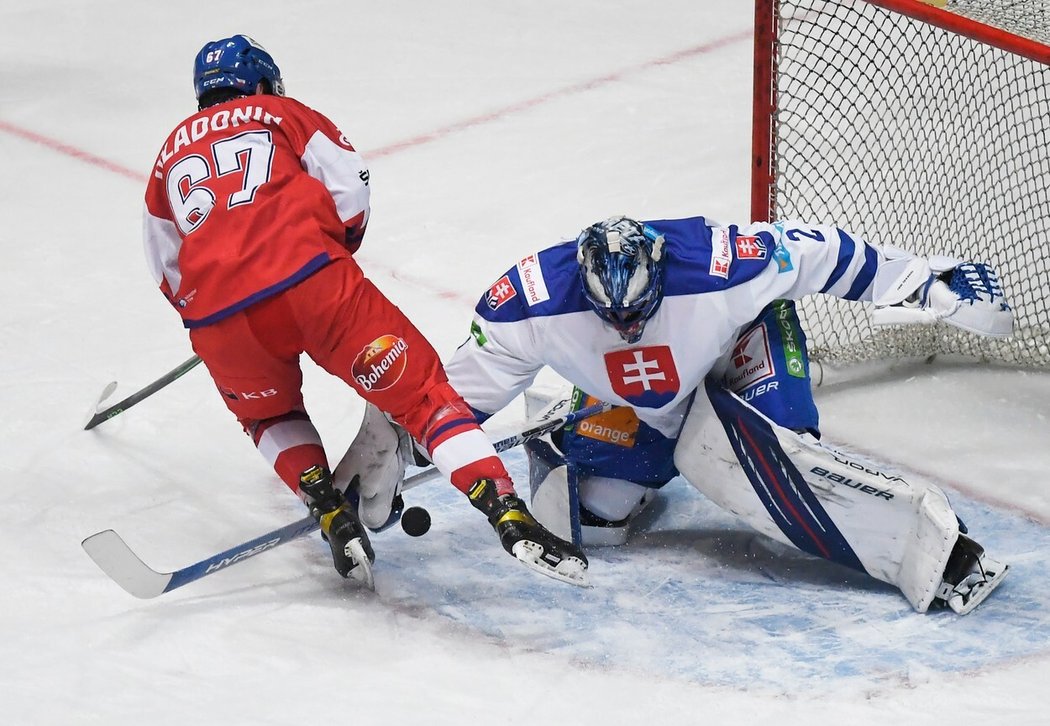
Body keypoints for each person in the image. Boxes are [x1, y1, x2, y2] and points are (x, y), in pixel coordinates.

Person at [141, 35, 586, 587]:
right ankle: (507, 513)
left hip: (219, 322)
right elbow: (350, 188)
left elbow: (165, 266)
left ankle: (328, 507)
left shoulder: (167, 155)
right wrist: (325, 251)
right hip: (315, 286)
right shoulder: (284, 113)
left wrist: (217, 307)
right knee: (425, 396)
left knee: (268, 416)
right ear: (260, 83)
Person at [440, 214, 1012, 614]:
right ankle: (590, 411)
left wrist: (922, 283)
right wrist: (407, 443)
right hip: (648, 399)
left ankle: (940, 553)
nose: (627, 327)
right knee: (597, 515)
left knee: (781, 452)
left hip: (739, 349)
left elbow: (823, 252)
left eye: (637, 312)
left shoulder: (720, 265)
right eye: (610, 318)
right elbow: (451, 400)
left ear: (659, 274)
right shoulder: (529, 301)